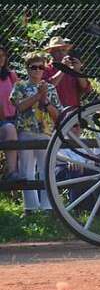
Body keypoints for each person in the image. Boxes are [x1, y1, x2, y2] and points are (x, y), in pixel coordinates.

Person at [10, 54, 61, 213]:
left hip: (46, 132)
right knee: (27, 170)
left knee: (46, 170)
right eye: (34, 67)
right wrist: (38, 95)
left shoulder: (51, 88)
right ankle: (30, 208)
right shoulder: (20, 86)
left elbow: (57, 114)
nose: (38, 70)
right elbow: (19, 107)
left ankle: (47, 207)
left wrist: (45, 100)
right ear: (27, 69)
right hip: (26, 132)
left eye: (41, 67)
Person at [42, 36, 91, 110]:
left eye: (63, 50)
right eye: (57, 50)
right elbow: (48, 87)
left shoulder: (72, 69)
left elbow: (86, 88)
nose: (61, 53)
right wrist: (63, 69)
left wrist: (77, 71)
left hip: (73, 113)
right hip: (53, 112)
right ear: (51, 52)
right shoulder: (45, 69)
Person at [0, 45, 19, 181]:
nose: (0, 59)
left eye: (2, 55)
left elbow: (21, 96)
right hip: (3, 122)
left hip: (15, 118)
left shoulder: (10, 75)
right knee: (9, 128)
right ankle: (12, 172)